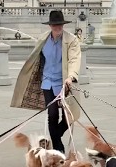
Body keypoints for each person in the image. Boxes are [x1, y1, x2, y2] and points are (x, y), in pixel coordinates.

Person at [9, 10, 83, 153]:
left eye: (60, 25)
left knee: (70, 115)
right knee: (52, 114)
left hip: (64, 82)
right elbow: (36, 58)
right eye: (55, 25)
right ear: (50, 26)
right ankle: (58, 147)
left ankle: (56, 135)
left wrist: (71, 76)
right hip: (47, 81)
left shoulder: (71, 40)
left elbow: (74, 59)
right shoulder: (43, 39)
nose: (58, 28)